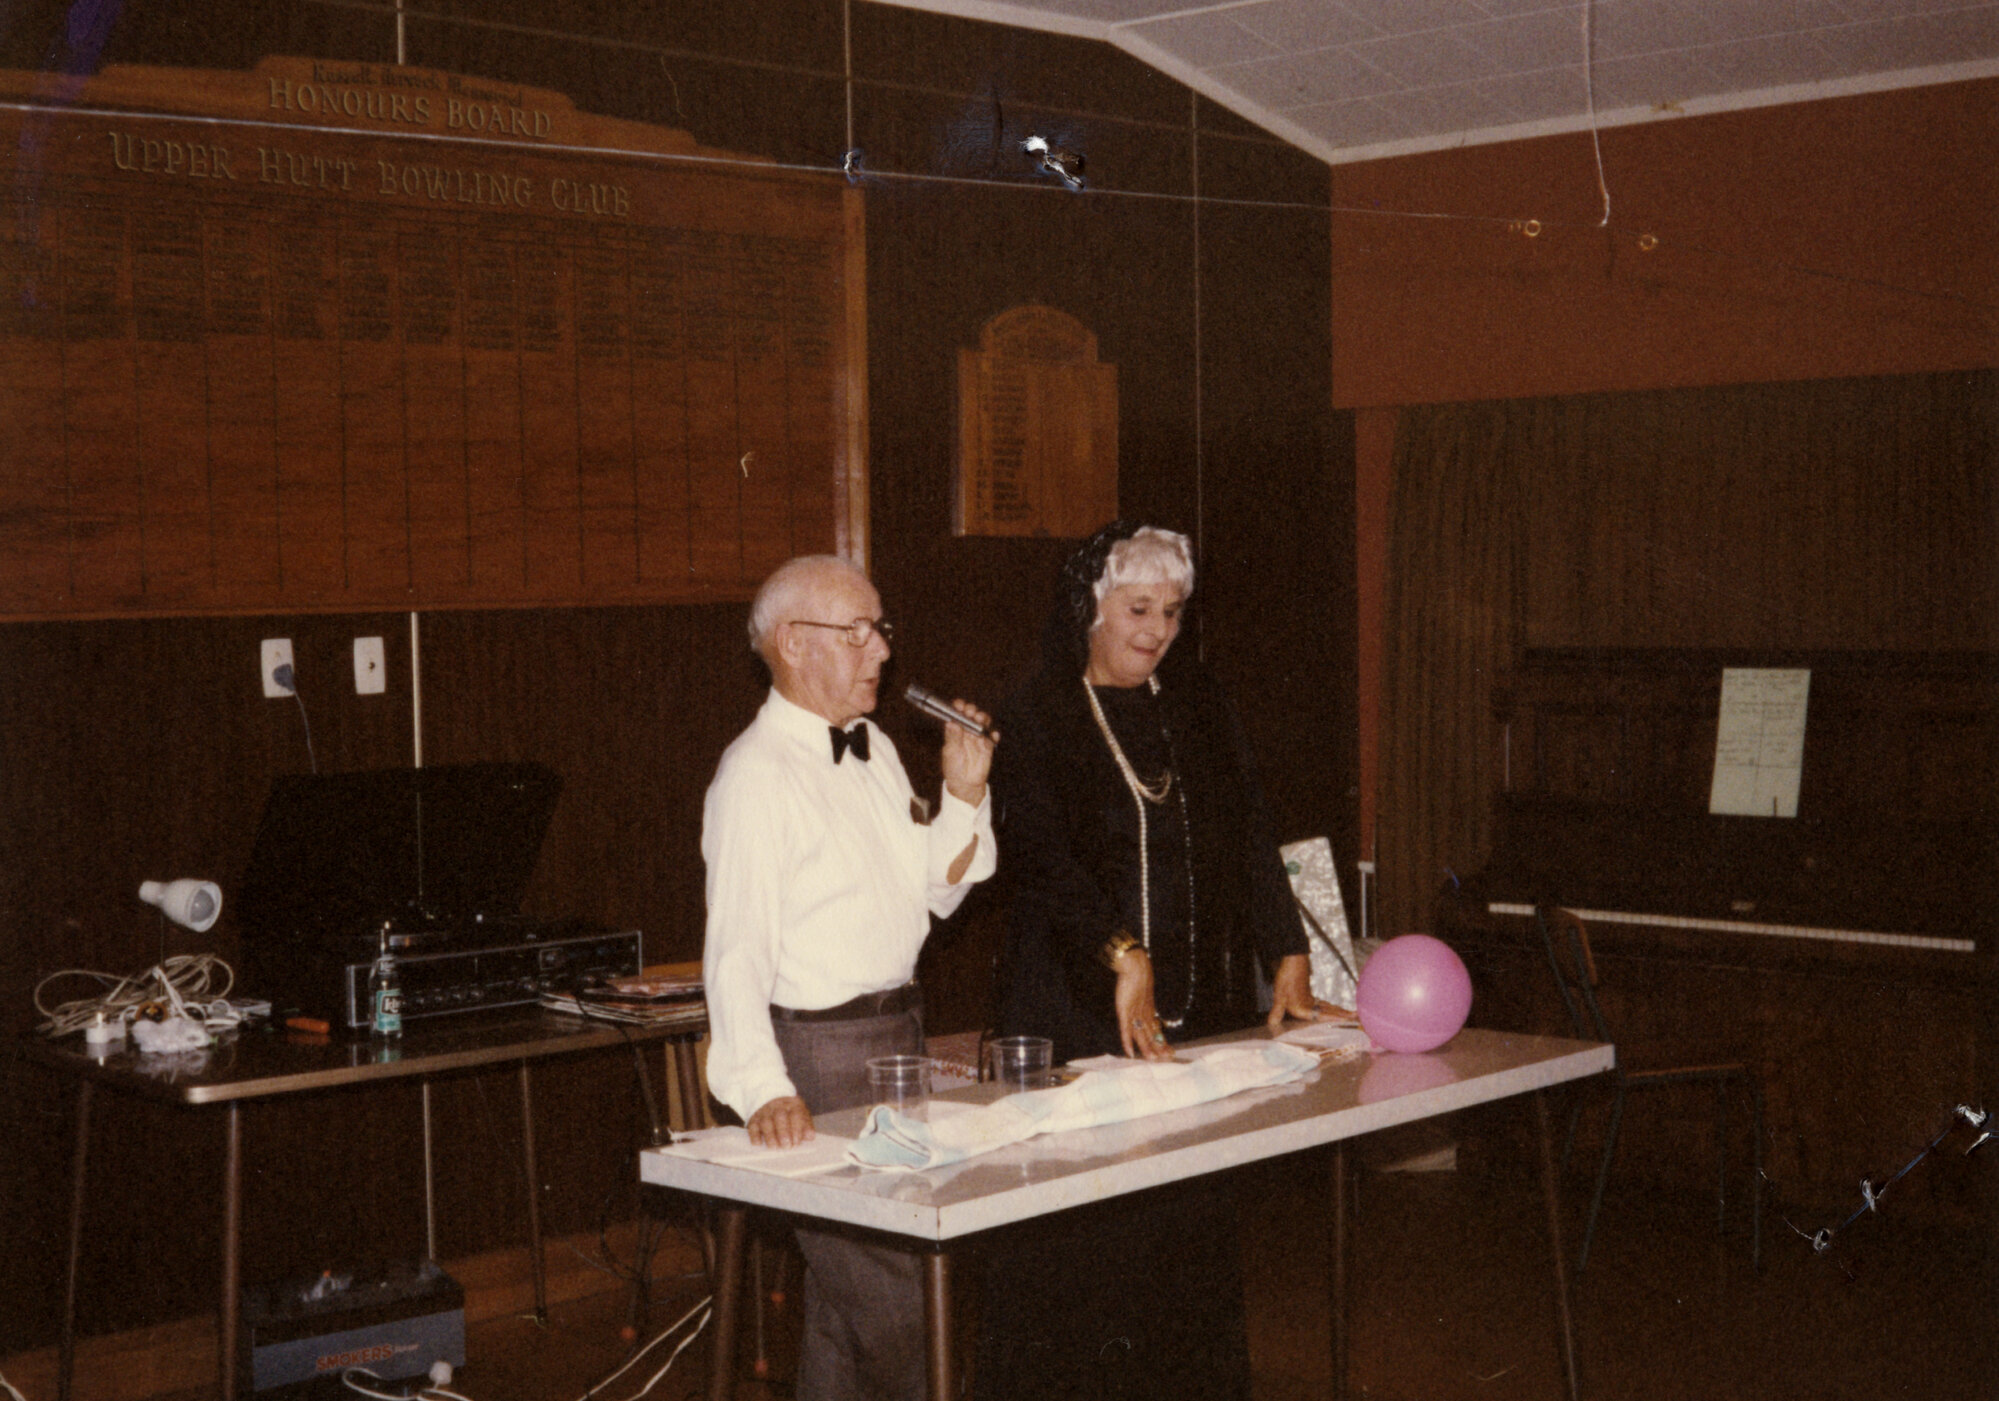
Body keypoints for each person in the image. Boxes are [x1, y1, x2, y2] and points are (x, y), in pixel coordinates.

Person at [975, 520, 1334, 1400]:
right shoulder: (1036, 713)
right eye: (1138, 608)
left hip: (1186, 1011)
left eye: (1172, 611)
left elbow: (1249, 827)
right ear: (1087, 610)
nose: (1158, 629)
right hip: (1069, 1007)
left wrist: (1285, 951)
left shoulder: (1197, 705)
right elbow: (1042, 861)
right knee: (1078, 1246)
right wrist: (1119, 952)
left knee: (1182, 1237)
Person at [701, 554, 997, 1401]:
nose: (881, 652)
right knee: (902, 1304)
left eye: (881, 629)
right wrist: (761, 1087)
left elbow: (935, 892)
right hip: (818, 1056)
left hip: (893, 1039)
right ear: (794, 644)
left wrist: (963, 793)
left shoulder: (870, 748)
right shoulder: (754, 777)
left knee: (845, 1305)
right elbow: (735, 952)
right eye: (858, 631)